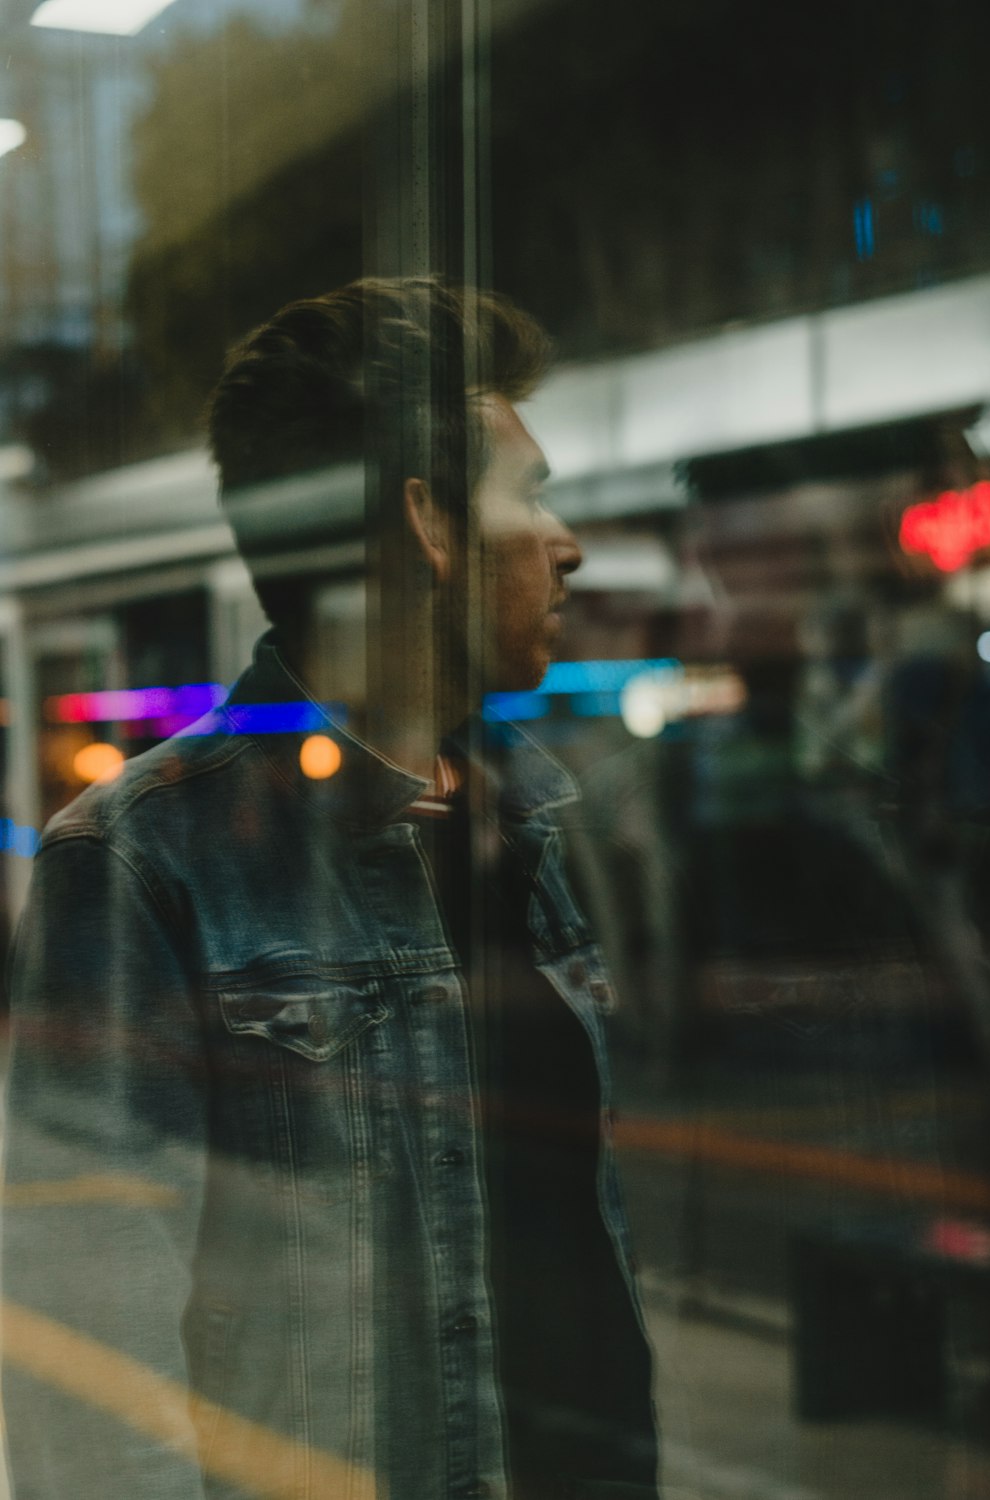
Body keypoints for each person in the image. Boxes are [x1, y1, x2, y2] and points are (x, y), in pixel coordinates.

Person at [2, 278, 659, 1499]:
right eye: (532, 496)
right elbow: (89, 1375)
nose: (566, 545)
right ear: (427, 522)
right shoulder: (146, 860)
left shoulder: (531, 815)